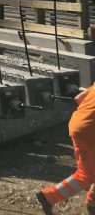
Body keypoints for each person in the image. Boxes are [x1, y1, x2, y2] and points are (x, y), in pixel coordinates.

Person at [37, 83, 95, 214]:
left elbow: (79, 98)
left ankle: (92, 204)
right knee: (87, 174)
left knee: (90, 172)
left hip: (82, 124)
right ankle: (48, 197)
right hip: (88, 131)